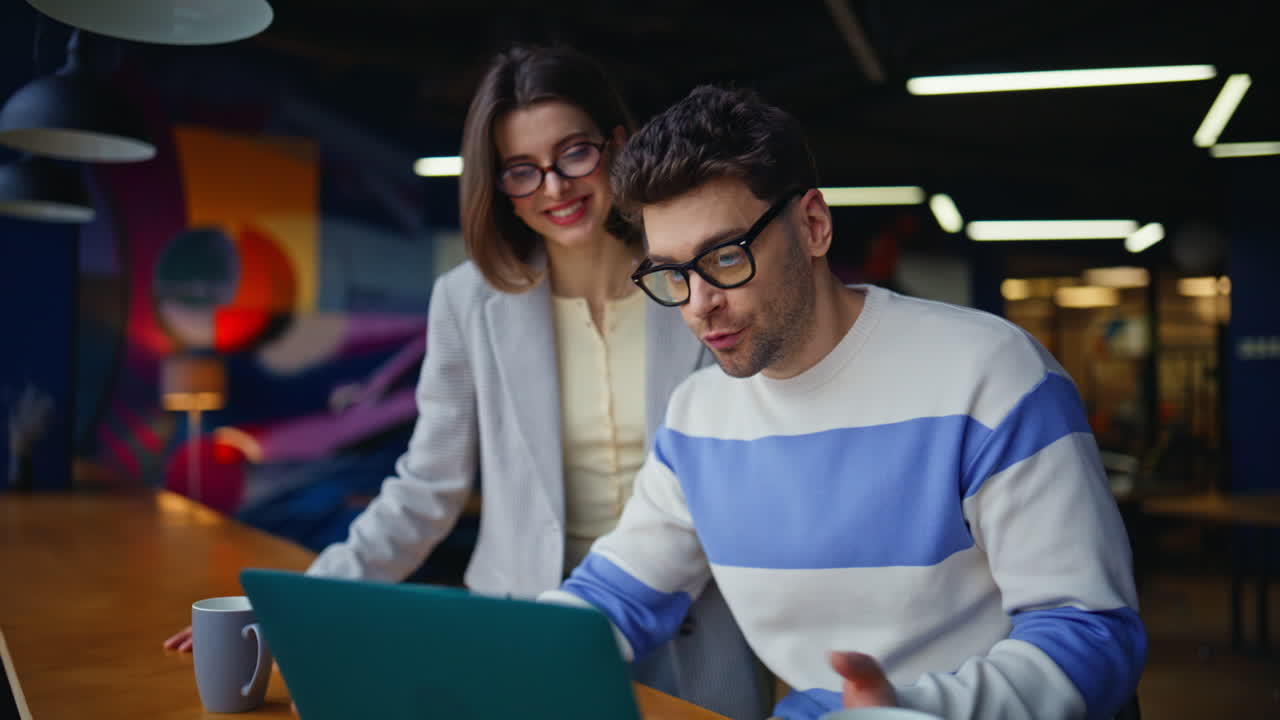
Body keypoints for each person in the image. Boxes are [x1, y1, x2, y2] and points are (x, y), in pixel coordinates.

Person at [164, 47, 767, 720]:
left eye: (574, 154)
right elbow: (427, 488)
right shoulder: (467, 301)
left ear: (619, 146)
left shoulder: (696, 284)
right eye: (522, 169)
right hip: (529, 633)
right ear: (498, 183)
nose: (554, 188)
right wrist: (297, 608)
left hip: (696, 632)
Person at [540, 85, 1146, 720]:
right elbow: (619, 594)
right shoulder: (698, 417)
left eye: (724, 257)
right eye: (671, 273)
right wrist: (512, 651)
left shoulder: (991, 375)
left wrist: (904, 711)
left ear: (813, 226)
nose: (698, 304)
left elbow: (1093, 633)